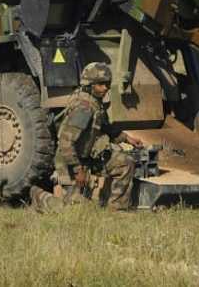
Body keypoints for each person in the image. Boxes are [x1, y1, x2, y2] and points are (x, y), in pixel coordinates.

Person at [30, 61, 143, 213]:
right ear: (89, 85)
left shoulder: (95, 103)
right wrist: (77, 171)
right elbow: (65, 142)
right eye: (100, 84)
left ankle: (117, 210)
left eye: (107, 84)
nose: (105, 88)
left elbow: (105, 126)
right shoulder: (84, 107)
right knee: (76, 212)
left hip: (88, 159)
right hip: (69, 163)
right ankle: (39, 196)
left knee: (125, 163)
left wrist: (126, 138)